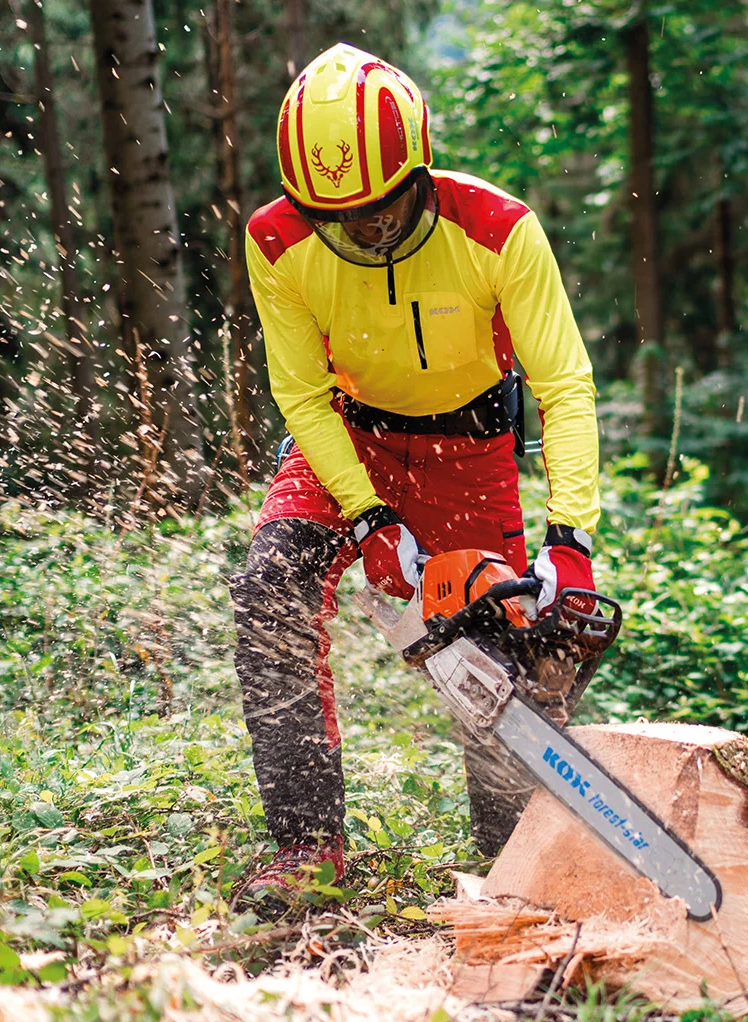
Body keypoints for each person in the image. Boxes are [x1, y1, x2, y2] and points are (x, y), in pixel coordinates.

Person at [230, 43, 600, 909]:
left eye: (380, 208)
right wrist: (367, 517)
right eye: (340, 218)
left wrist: (570, 538)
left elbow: (565, 387)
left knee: (507, 653)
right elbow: (301, 394)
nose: (364, 230)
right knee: (271, 591)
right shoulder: (277, 241)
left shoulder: (498, 230)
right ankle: (306, 848)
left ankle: (513, 865)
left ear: (418, 172)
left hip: (468, 450)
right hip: (343, 436)